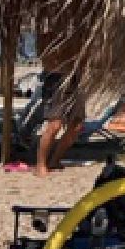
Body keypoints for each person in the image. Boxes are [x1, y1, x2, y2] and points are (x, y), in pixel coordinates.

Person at [35, 32, 85, 177]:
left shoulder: (78, 30)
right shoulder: (49, 31)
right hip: (55, 78)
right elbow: (45, 57)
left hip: (75, 78)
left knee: (76, 126)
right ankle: (40, 164)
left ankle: (55, 160)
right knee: (55, 125)